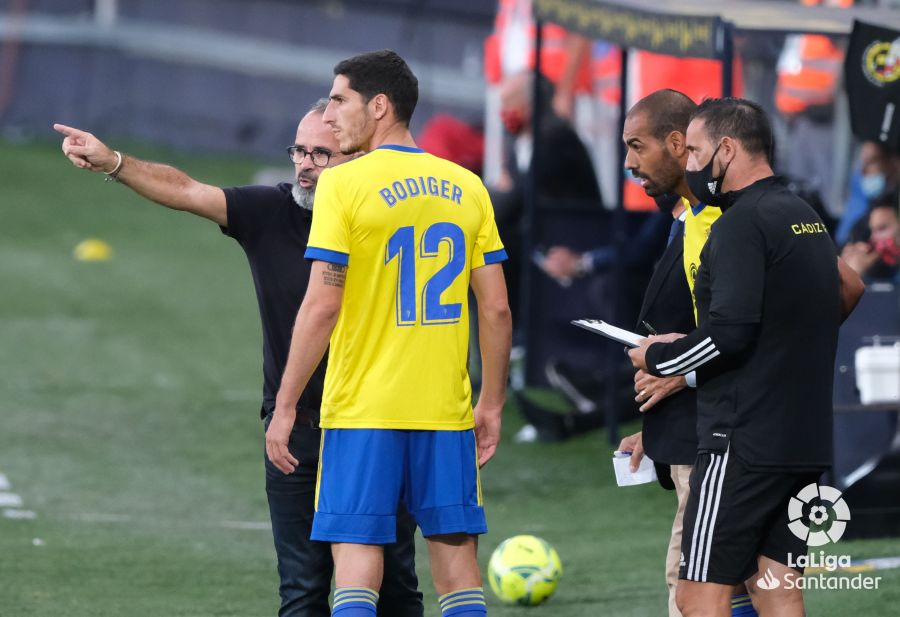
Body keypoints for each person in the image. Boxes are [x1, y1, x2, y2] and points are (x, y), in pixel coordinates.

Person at [53, 101, 424, 617]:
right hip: (296, 431)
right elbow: (186, 190)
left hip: (376, 425)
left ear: (357, 159)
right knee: (303, 590)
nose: (305, 164)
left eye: (322, 153)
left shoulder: (386, 222)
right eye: (299, 150)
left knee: (396, 586)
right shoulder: (271, 212)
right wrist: (114, 161)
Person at [267, 50, 512, 617]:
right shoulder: (468, 186)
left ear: (379, 106)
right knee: (457, 570)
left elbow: (321, 306)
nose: (329, 115)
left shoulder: (344, 185)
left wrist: (284, 404)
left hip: (363, 408)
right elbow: (495, 309)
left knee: (356, 567)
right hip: (444, 411)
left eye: (339, 100)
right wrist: (491, 403)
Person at [629, 98, 843, 617]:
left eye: (697, 151)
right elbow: (829, 303)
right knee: (777, 588)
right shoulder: (805, 217)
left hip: (742, 445)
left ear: (726, 150)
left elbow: (730, 333)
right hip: (804, 441)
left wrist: (661, 358)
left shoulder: (740, 224)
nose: (692, 165)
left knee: (697, 593)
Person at [613, 89, 756, 617]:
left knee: (698, 588)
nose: (628, 163)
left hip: (722, 438)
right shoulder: (690, 221)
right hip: (703, 432)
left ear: (681, 146)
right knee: (749, 583)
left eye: (636, 147)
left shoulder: (726, 223)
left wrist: (681, 376)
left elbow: (740, 333)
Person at [841, 198, 900, 283]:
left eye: (882, 228)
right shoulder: (875, 266)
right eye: (872, 231)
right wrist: (850, 270)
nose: (874, 237)